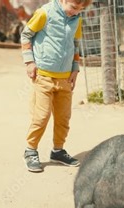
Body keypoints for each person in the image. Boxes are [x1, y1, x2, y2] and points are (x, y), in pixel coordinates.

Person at [20, 0, 92, 172]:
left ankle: (58, 151)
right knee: (41, 116)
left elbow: (75, 44)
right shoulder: (44, 13)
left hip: (66, 79)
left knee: (63, 118)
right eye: (74, 7)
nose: (76, 12)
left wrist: (75, 68)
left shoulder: (77, 19)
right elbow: (26, 35)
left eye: (80, 9)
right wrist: (29, 62)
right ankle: (30, 151)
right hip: (43, 76)